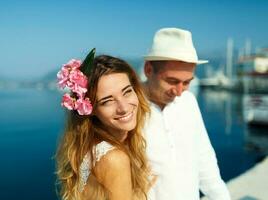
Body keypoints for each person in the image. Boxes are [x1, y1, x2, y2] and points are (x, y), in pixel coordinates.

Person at [142, 28, 231, 200]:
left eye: (187, 82)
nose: (179, 91)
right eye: (172, 81)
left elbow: (204, 160)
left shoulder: (189, 102)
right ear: (148, 70)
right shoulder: (128, 108)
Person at [55, 49, 154, 200]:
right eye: (107, 101)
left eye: (127, 92)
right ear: (91, 109)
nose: (124, 108)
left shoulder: (93, 149)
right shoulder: (114, 159)